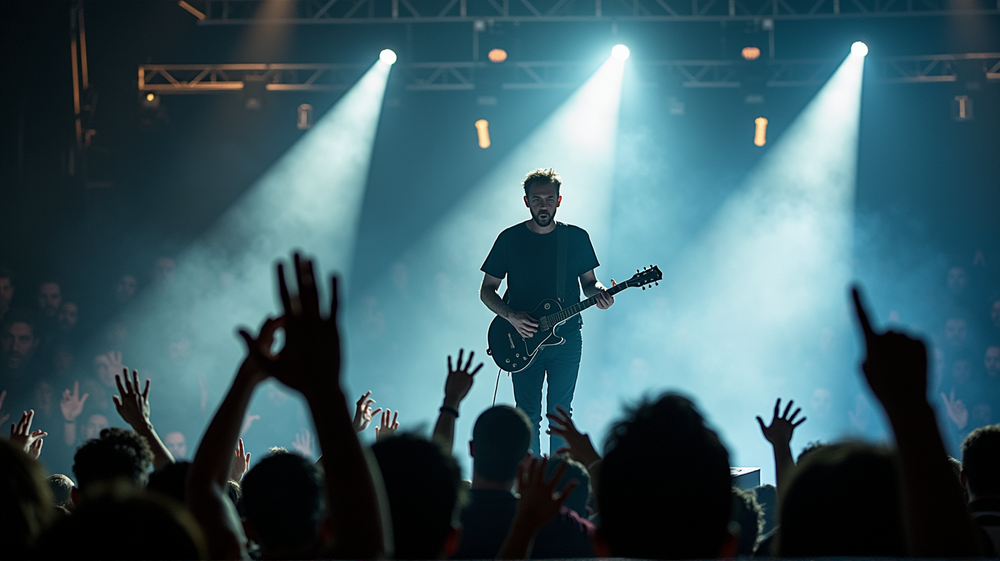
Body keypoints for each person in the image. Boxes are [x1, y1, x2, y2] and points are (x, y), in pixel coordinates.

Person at [480, 168, 613, 455]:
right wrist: (511, 316)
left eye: (549, 198)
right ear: (526, 201)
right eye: (537, 199)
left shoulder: (576, 238)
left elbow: (589, 283)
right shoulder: (510, 239)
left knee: (560, 415)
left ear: (559, 200)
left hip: (566, 338)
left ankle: (561, 483)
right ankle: (531, 484)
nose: (544, 205)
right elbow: (487, 290)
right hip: (522, 339)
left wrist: (600, 292)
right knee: (527, 414)